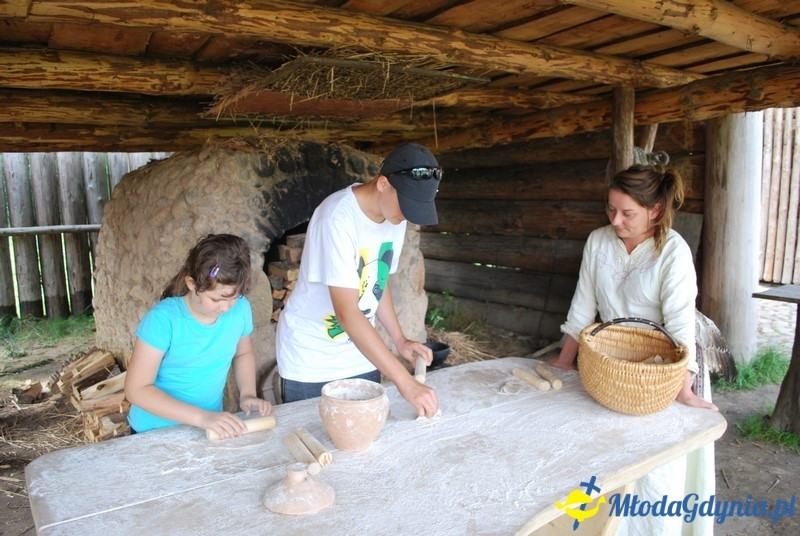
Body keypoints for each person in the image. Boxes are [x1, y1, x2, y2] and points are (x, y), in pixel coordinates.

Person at [550, 164, 716, 535]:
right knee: (605, 455)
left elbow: (680, 326)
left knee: (654, 467)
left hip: (666, 370)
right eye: (611, 209)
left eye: (627, 213)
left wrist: (683, 391)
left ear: (655, 210)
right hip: (611, 366)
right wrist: (563, 361)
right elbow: (582, 306)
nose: (616, 221)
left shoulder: (672, 251)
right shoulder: (598, 242)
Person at [276, 142, 441, 417]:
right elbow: (348, 314)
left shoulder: (394, 217)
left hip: (360, 356)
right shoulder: (337, 218)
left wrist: (400, 339)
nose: (407, 216)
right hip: (311, 360)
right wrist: (405, 382)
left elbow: (378, 280)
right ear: (383, 184)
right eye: (406, 205)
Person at [124, 234, 272, 437]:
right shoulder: (163, 320)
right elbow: (136, 390)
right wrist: (202, 417)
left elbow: (243, 354)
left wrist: (247, 394)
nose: (226, 308)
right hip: (154, 431)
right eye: (216, 299)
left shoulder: (241, 309)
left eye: (234, 297)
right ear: (192, 284)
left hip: (207, 427)